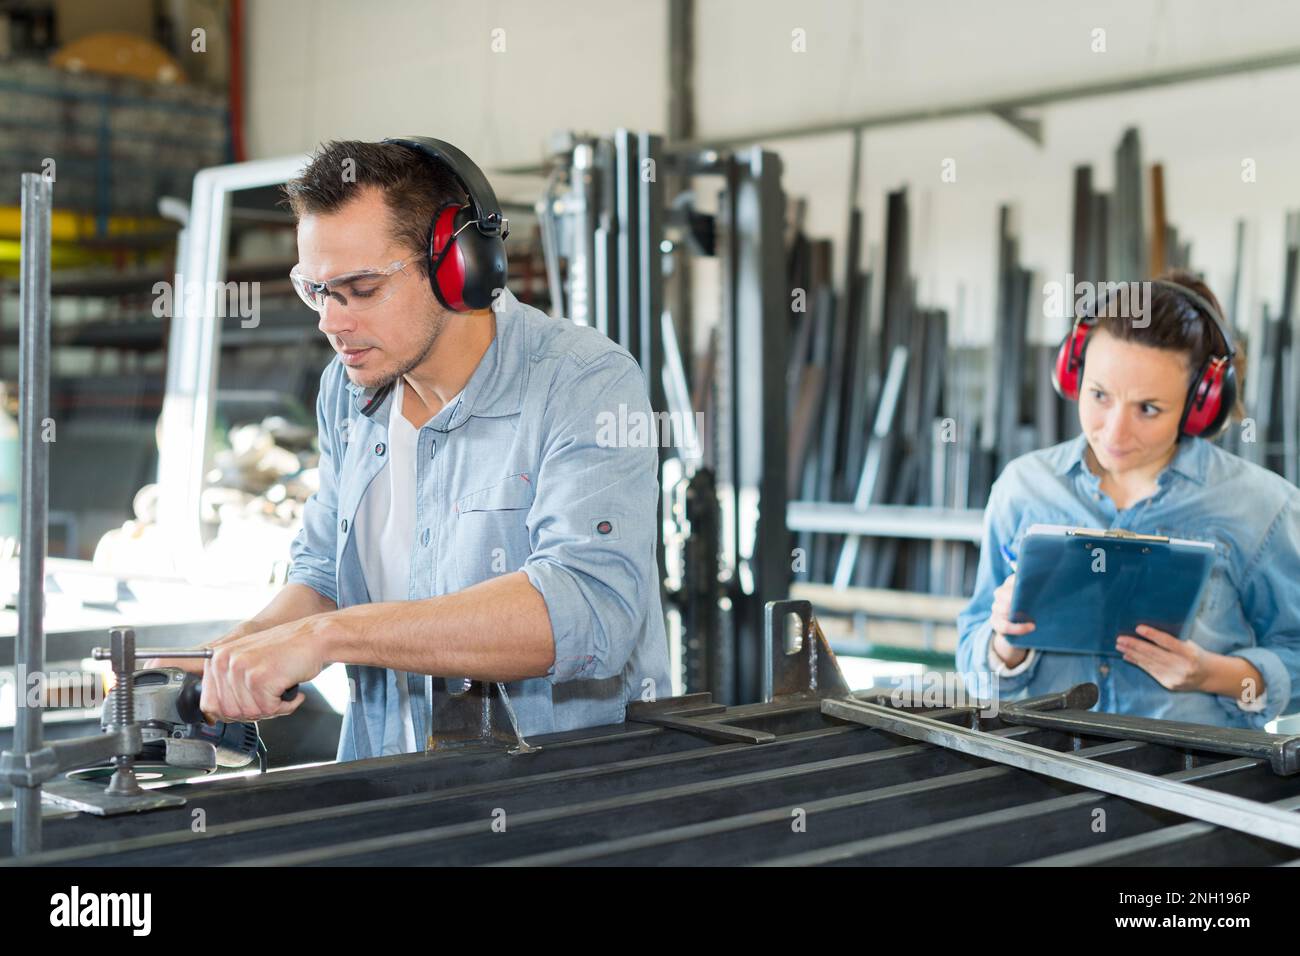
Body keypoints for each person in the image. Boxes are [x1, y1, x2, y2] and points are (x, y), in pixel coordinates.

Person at [152, 137, 671, 760]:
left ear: (459, 266)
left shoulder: (583, 381)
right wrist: (236, 653)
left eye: (362, 288)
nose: (331, 322)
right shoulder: (347, 392)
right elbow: (324, 575)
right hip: (388, 781)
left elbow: (589, 609)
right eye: (315, 290)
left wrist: (329, 637)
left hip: (554, 803)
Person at [957, 271, 1300, 729]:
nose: (1114, 432)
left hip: (1193, 786)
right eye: (1099, 395)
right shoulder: (1023, 489)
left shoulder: (1259, 506)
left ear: (1201, 405)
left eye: (1148, 408)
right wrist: (1006, 646)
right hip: (1045, 778)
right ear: (1073, 375)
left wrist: (1214, 675)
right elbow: (972, 656)